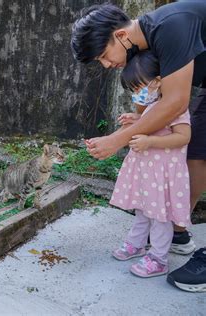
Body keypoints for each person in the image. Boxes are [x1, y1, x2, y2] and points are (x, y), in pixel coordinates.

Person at [71, 1, 206, 292]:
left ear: (120, 36)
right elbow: (156, 104)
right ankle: (177, 232)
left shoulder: (171, 27)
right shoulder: (146, 45)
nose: (106, 65)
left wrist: (117, 140)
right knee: (198, 154)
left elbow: (175, 103)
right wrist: (133, 123)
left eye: (104, 56)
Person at [110, 51, 191, 278]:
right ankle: (136, 244)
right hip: (148, 173)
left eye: (139, 87)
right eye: (133, 89)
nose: (137, 93)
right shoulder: (155, 104)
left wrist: (150, 141)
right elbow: (152, 122)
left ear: (157, 81)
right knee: (143, 211)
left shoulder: (175, 106)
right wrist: (136, 119)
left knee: (160, 217)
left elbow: (183, 136)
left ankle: (159, 258)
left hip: (162, 174)